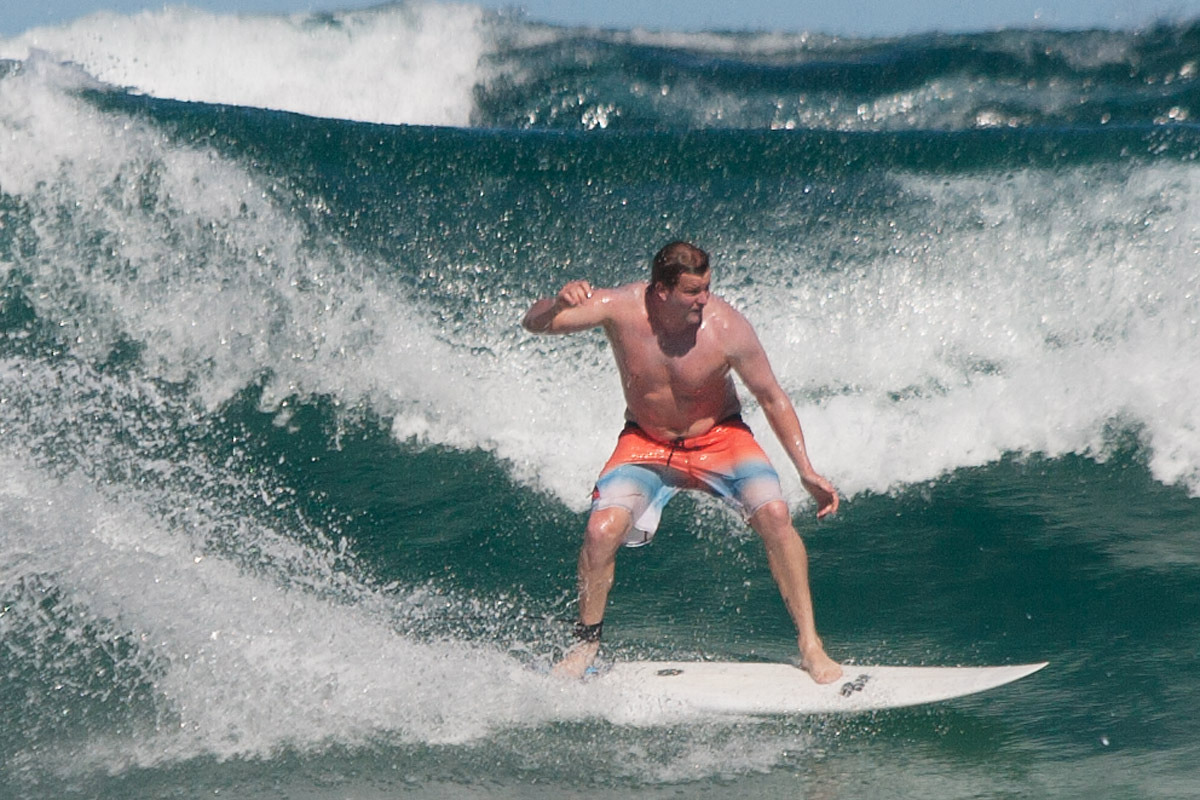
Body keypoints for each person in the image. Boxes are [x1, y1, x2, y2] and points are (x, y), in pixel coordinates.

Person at [521, 241, 842, 684]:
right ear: (661, 290)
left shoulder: (726, 327)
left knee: (775, 513)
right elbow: (535, 324)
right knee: (599, 530)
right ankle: (585, 643)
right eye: (693, 291)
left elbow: (772, 397)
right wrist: (557, 301)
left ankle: (810, 645)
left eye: (707, 288)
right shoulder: (619, 308)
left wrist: (806, 469)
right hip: (646, 443)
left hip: (720, 437)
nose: (704, 300)